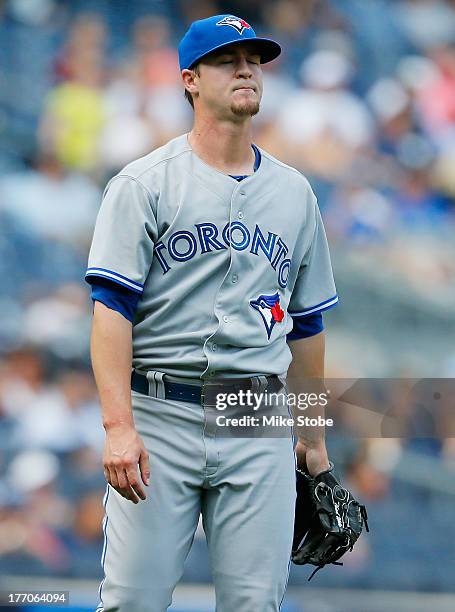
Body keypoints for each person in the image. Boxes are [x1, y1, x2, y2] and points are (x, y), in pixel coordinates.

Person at [86, 14, 338, 612]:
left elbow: (307, 327)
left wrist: (315, 438)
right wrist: (118, 425)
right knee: (132, 603)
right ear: (190, 80)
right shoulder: (142, 183)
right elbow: (111, 310)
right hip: (158, 412)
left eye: (254, 58)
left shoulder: (295, 193)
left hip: (256, 412)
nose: (246, 68)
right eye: (228, 59)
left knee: (256, 605)